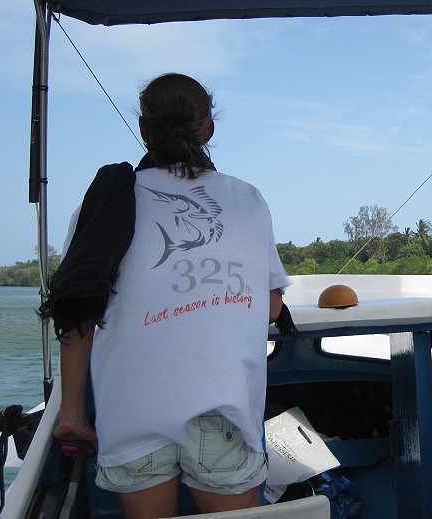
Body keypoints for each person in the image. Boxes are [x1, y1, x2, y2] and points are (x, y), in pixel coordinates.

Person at [50, 72, 289, 518]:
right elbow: (271, 306)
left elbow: (76, 315)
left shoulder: (104, 204)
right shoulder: (247, 198)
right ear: (209, 130)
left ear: (144, 129)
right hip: (223, 412)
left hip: (130, 415)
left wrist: (73, 415)